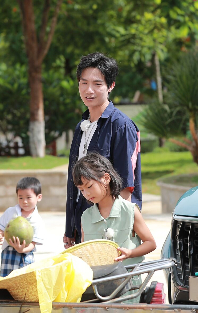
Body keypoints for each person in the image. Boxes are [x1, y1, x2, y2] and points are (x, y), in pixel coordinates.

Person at [64, 52, 142, 249]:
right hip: (85, 222)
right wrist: (70, 228)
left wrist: (119, 228)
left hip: (109, 228)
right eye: (83, 83)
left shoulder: (121, 125)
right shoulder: (82, 125)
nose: (89, 90)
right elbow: (75, 182)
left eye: (97, 84)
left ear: (111, 86)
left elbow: (126, 183)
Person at [73, 152, 156, 302]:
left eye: (89, 186)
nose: (86, 193)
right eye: (82, 190)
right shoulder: (85, 216)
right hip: (97, 287)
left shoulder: (130, 210)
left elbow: (151, 243)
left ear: (106, 178)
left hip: (128, 285)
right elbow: (84, 251)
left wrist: (130, 252)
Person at [0, 177, 44, 277]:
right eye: (20, 197)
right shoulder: (10, 212)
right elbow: (2, 229)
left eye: (28, 197)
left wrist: (22, 250)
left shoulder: (37, 220)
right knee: (6, 281)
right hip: (8, 254)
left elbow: (33, 243)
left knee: (24, 283)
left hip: (25, 256)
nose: (24, 201)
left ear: (38, 197)